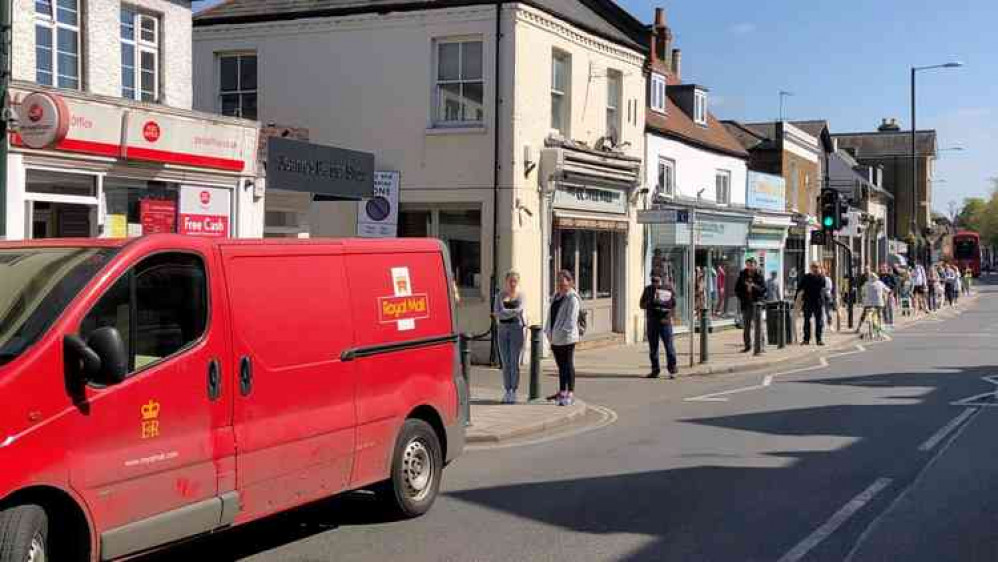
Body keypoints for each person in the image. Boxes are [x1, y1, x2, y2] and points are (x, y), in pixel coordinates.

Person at [545, 270, 581, 406]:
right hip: (555, 337)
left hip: (567, 338)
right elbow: (550, 315)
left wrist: (560, 333)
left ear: (570, 282)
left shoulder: (572, 298)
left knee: (568, 364)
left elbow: (571, 320)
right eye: (558, 281)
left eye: (563, 281)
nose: (560, 284)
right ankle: (562, 391)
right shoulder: (556, 296)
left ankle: (570, 393)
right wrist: (548, 331)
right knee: (561, 366)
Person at [493, 270, 526, 404]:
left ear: (517, 282)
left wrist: (505, 312)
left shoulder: (521, 296)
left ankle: (514, 390)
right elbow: (497, 313)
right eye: (510, 281)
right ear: (506, 281)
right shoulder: (499, 296)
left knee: (514, 362)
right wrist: (510, 313)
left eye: (515, 281)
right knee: (505, 363)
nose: (512, 284)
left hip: (516, 329)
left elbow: (520, 311)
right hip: (502, 329)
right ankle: (507, 390)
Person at [640, 275, 678, 379]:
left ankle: (672, 369)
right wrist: (651, 302)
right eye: (652, 280)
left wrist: (666, 307)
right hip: (652, 322)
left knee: (669, 347)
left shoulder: (668, 288)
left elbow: (674, 303)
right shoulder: (648, 290)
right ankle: (655, 370)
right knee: (653, 348)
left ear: (661, 280)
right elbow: (641, 304)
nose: (654, 283)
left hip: (665, 322)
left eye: (656, 281)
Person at [735, 257, 767, 352]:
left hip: (756, 304)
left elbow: (764, 289)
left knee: (759, 326)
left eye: (751, 265)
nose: (749, 267)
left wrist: (754, 286)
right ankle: (747, 346)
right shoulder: (742, 274)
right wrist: (742, 297)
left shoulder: (759, 275)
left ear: (755, 265)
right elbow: (737, 289)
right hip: (746, 304)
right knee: (746, 326)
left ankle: (761, 346)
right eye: (748, 265)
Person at [796, 262, 826, 346]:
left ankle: (819, 339)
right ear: (811, 268)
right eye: (813, 267)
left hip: (818, 302)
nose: (815, 269)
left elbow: (822, 285)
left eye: (817, 267)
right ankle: (806, 339)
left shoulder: (821, 277)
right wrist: (797, 299)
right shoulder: (806, 277)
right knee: (806, 321)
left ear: (819, 268)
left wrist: (820, 274)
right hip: (808, 302)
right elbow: (799, 287)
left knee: (819, 322)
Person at [856, 268, 888, 335]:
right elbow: (887, 290)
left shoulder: (866, 283)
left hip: (868, 303)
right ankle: (879, 328)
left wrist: (863, 297)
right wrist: (885, 295)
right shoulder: (880, 283)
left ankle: (858, 328)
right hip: (879, 303)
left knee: (864, 314)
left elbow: (862, 292)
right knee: (879, 315)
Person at [878, 264, 897, 328]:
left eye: (885, 268)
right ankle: (886, 322)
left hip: (889, 293)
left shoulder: (890, 276)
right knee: (884, 308)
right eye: (882, 268)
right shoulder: (879, 277)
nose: (883, 269)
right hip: (882, 294)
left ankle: (891, 322)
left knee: (890, 308)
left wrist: (892, 292)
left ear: (887, 268)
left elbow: (895, 285)